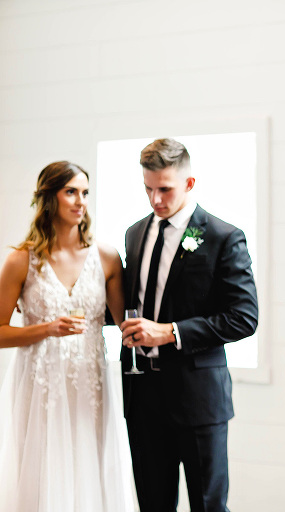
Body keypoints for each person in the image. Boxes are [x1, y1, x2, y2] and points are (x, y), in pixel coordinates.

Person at [120, 138, 258, 512]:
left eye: (165, 189)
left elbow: (244, 317)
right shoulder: (134, 233)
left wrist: (170, 332)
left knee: (208, 506)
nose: (155, 200)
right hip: (142, 398)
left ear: (189, 183)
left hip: (198, 401)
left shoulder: (223, 237)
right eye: (148, 189)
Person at [0, 161, 133, 511]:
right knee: (44, 468)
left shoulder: (106, 257)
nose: (80, 201)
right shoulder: (21, 260)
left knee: (89, 463)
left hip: (90, 382)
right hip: (40, 386)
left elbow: (126, 323)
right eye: (71, 192)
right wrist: (46, 329)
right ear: (49, 198)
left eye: (85, 192)